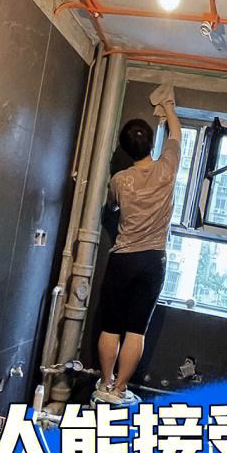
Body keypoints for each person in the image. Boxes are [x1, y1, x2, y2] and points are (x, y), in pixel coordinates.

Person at [94, 84, 182, 404]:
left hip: (124, 259)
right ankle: (120, 390)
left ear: (126, 149)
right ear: (150, 143)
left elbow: (112, 207)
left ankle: (105, 385)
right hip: (153, 261)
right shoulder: (167, 168)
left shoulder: (119, 180)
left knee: (110, 326)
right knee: (136, 330)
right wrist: (168, 106)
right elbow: (176, 135)